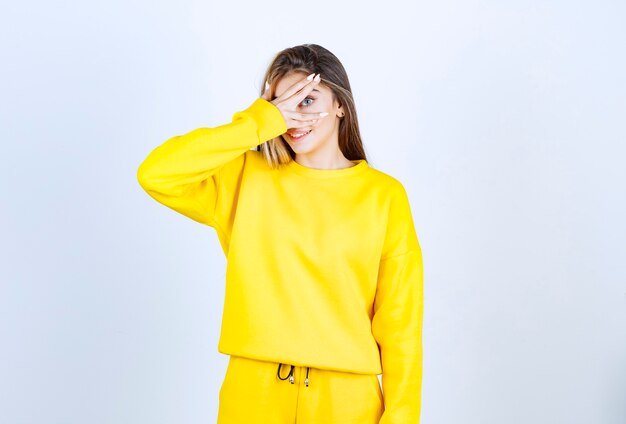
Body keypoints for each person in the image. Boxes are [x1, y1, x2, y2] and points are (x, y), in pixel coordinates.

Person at [136, 43, 424, 424]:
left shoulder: (384, 196)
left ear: (341, 105)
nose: (293, 116)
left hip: (346, 400)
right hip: (253, 393)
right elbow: (157, 173)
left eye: (307, 100)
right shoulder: (246, 178)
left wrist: (402, 418)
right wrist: (260, 121)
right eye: (281, 103)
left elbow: (400, 324)